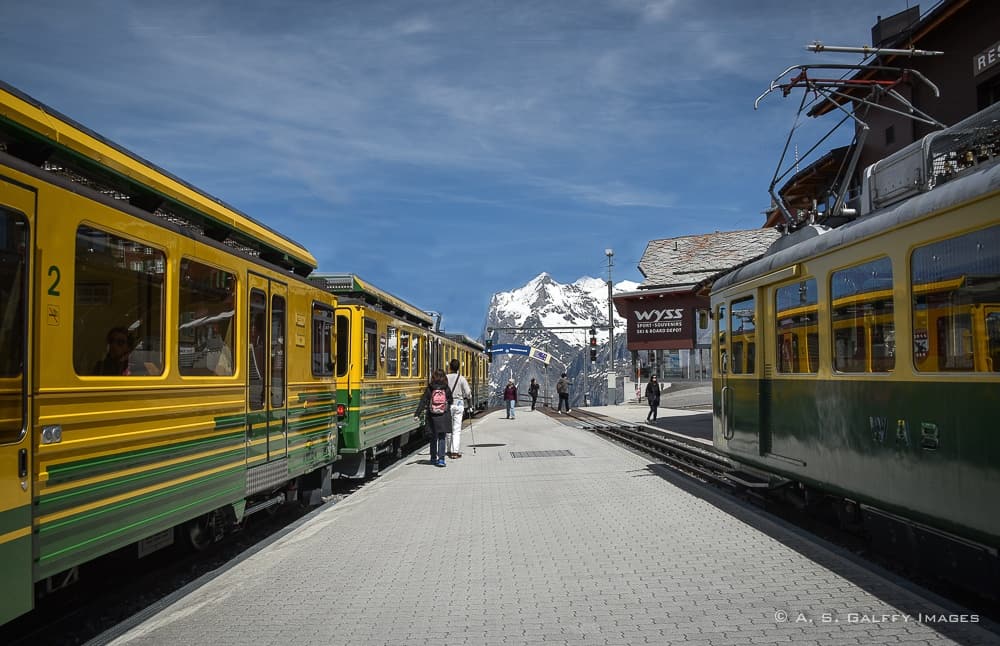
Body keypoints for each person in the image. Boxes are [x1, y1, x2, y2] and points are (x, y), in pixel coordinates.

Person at [415, 368, 453, 467]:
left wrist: (417, 414)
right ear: (444, 377)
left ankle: (432, 458)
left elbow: (424, 400)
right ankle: (441, 459)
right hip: (443, 415)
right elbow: (451, 400)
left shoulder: (430, 387)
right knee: (441, 437)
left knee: (433, 437)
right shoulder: (446, 388)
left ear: (433, 377)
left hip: (432, 415)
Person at [446, 358, 472, 458]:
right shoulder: (461, 378)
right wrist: (469, 401)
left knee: (448, 429)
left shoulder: (446, 378)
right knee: (456, 429)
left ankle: (448, 450)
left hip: (448, 405)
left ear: (450, 367)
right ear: (458, 368)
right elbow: (468, 393)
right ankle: (455, 452)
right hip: (459, 405)